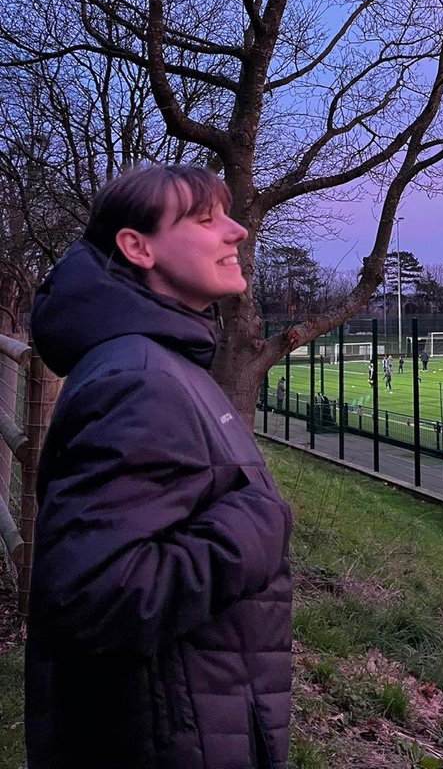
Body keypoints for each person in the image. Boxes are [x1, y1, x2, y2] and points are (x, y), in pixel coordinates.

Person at [25, 164, 293, 769]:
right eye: (206, 219)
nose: (237, 232)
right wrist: (254, 529)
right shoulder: (139, 379)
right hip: (170, 736)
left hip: (191, 720)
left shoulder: (159, 359)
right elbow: (95, 600)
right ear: (137, 246)